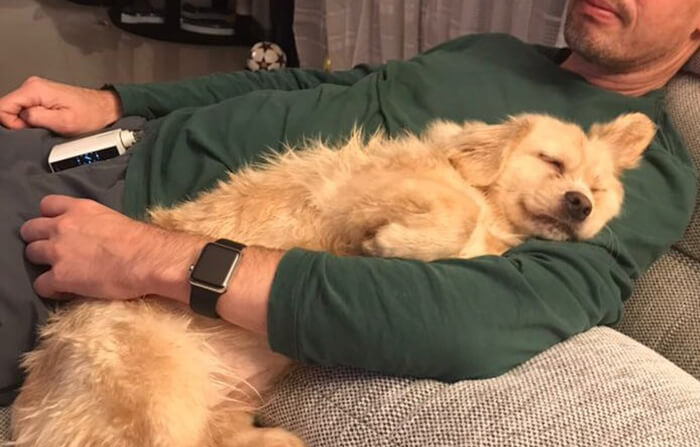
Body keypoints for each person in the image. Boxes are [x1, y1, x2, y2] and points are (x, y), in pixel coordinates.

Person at [0, 0, 698, 405]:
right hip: (110, 144)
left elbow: (484, 318)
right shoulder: (495, 52)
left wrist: (154, 256)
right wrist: (117, 100)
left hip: (120, 227)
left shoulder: (634, 174)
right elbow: (309, 88)